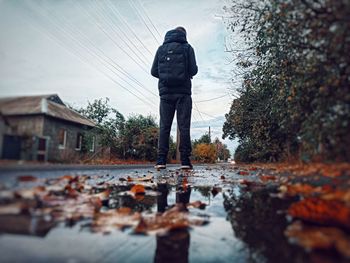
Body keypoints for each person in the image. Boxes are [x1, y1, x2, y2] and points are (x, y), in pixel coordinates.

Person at [151, 26, 198, 170]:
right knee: (184, 127)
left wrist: (166, 78)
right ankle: (184, 161)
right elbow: (193, 70)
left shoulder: (161, 49)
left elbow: (153, 71)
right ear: (184, 35)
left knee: (164, 127)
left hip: (165, 94)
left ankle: (161, 160)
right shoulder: (187, 48)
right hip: (183, 93)